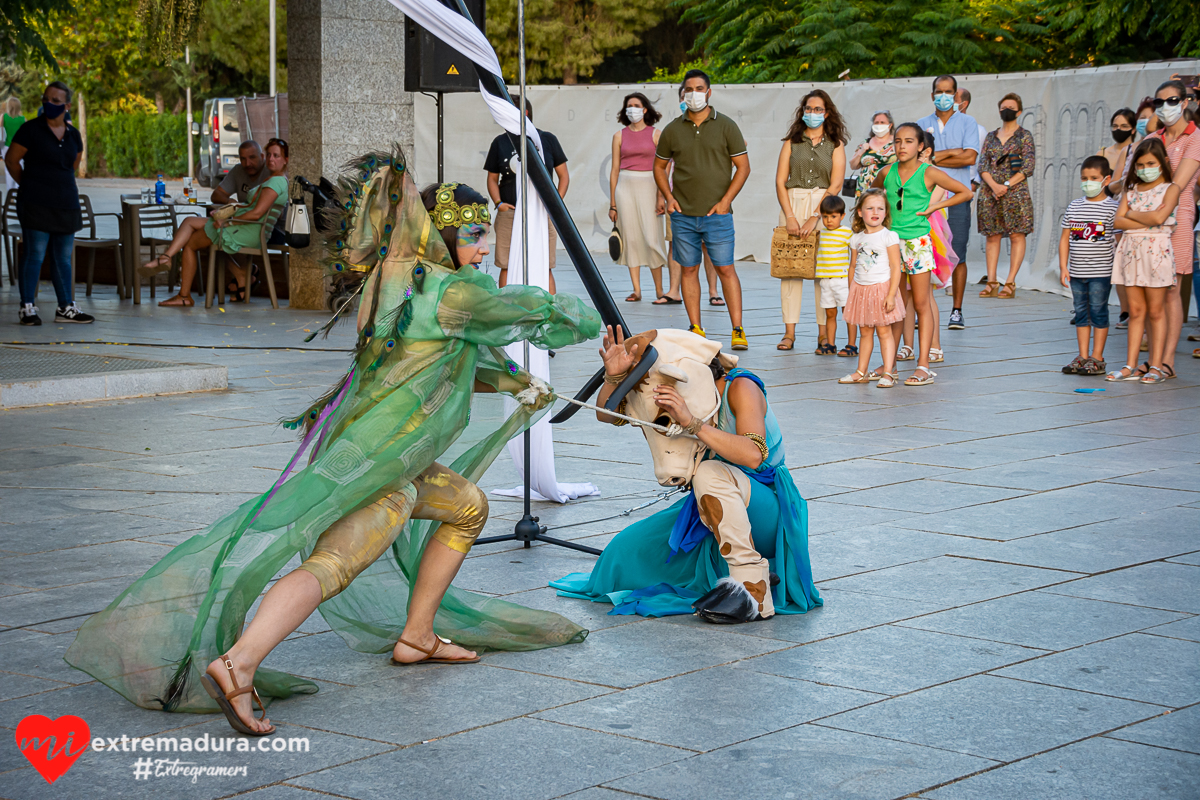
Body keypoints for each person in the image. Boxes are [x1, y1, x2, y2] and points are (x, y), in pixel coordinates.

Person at [65, 155, 602, 736]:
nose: (481, 244)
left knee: (467, 505)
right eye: (472, 233)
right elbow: (544, 315)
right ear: (442, 232)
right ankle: (237, 664)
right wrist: (593, 319)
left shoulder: (394, 279)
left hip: (377, 446)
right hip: (381, 462)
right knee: (336, 563)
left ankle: (417, 635)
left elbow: (428, 361)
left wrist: (511, 379)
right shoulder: (453, 293)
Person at [551, 325, 821, 622]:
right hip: (714, 505)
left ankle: (751, 590)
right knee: (620, 558)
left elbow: (753, 455)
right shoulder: (678, 396)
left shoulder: (741, 387)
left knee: (708, 472)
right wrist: (614, 377)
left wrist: (692, 422)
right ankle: (725, 574)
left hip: (769, 508)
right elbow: (607, 413)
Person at [654, 69, 751, 348]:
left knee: (725, 269)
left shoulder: (727, 126)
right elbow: (659, 167)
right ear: (683, 93)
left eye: (699, 88)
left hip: (717, 216)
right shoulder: (673, 129)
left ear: (708, 92)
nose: (693, 94)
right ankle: (696, 328)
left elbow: (743, 167)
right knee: (688, 270)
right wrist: (668, 197)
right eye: (688, 89)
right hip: (683, 216)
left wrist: (725, 202)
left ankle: (737, 329)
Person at [872, 123, 971, 386]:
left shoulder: (929, 172)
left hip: (917, 243)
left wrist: (935, 206)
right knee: (893, 305)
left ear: (920, 147)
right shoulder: (886, 172)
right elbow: (871, 195)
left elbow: (966, 192)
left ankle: (924, 365)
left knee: (920, 303)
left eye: (908, 141)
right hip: (891, 243)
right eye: (897, 141)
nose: (902, 146)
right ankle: (889, 364)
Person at [144, 139, 289, 306]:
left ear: (286, 159)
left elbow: (256, 214)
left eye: (276, 156)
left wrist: (228, 220)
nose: (271, 159)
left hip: (247, 230)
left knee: (191, 242)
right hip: (247, 228)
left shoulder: (276, 182)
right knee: (190, 222)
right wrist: (225, 212)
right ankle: (170, 261)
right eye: (270, 154)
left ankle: (181, 290)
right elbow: (249, 206)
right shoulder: (275, 179)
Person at [1123, 79, 1200, 380]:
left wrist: (1147, 211)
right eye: (1159, 102)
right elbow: (1130, 179)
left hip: (1176, 218)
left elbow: (1178, 184)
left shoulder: (1195, 138)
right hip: (1145, 223)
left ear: (1184, 103)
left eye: (1171, 101)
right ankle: (1152, 360)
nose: (1165, 107)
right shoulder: (1152, 137)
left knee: (1170, 290)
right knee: (1149, 290)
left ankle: (1166, 361)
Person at [7, 81, 93, 326]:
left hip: (66, 203)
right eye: (46, 99)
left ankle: (66, 307)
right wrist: (29, 183)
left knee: (63, 258)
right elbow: (12, 161)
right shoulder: (30, 130)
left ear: (66, 106)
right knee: (34, 254)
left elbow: (74, 164)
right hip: (35, 202)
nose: (49, 104)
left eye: (56, 101)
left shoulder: (73, 135)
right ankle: (27, 308)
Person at [773, 89, 847, 352]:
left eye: (818, 109)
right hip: (792, 203)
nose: (812, 113)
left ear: (826, 113)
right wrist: (791, 216)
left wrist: (815, 216)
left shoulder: (836, 144)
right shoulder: (792, 142)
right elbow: (780, 181)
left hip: (823, 206)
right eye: (808, 108)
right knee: (790, 269)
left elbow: (836, 183)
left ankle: (823, 334)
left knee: (821, 271)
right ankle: (789, 333)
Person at [1108, 139, 1179, 383]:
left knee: (1156, 311)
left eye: (1150, 163)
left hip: (1156, 254)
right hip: (1130, 254)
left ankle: (1157, 365)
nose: (1144, 168)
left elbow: (1161, 216)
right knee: (1136, 311)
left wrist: (1130, 214)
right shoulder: (1130, 191)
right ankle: (1130, 364)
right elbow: (1117, 222)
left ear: (1162, 163)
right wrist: (1144, 218)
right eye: (1140, 164)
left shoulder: (1171, 189)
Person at [484, 96, 568, 293]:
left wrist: (554, 204)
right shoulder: (500, 142)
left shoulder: (546, 139)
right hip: (510, 212)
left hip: (542, 212)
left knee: (545, 263)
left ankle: (550, 310)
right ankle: (506, 309)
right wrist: (499, 203)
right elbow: (492, 179)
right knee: (506, 263)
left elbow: (564, 176)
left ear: (524, 112)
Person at [918, 75, 979, 331]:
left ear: (956, 96)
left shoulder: (968, 121)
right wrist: (954, 151)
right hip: (926, 197)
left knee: (959, 252)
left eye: (948, 92)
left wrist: (937, 157)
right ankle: (923, 309)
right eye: (938, 92)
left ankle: (957, 310)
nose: (943, 96)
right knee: (923, 253)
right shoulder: (921, 124)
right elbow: (919, 158)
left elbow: (969, 157)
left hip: (956, 197)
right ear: (932, 94)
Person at [608, 93, 673, 303]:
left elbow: (665, 165)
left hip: (650, 184)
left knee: (652, 237)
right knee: (631, 238)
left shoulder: (656, 134)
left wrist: (661, 195)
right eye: (628, 106)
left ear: (645, 109)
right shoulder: (619, 136)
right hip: (625, 186)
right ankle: (636, 289)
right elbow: (615, 170)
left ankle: (659, 289)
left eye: (636, 105)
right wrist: (612, 203)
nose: (632, 109)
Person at [1060, 156, 1120, 376]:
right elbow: (1065, 237)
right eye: (1084, 178)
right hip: (1077, 272)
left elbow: (1118, 239)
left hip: (1101, 273)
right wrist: (1063, 266)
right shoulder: (1075, 206)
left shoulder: (1113, 208)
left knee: (1099, 312)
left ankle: (1098, 357)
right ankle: (1083, 355)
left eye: (1093, 178)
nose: (1088, 183)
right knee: (1082, 313)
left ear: (1106, 179)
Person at [838, 189, 904, 388]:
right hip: (861, 290)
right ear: (860, 212)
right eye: (870, 208)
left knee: (884, 332)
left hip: (881, 289)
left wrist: (891, 294)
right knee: (865, 332)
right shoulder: (856, 238)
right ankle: (861, 371)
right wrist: (852, 291)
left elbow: (895, 266)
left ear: (886, 212)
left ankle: (888, 372)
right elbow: (853, 266)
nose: (875, 212)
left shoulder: (889, 236)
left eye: (880, 208)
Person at [976, 93, 1036, 300]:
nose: (1006, 110)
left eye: (1011, 107)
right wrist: (994, 185)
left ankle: (1010, 282)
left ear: (1019, 111)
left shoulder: (1024, 136)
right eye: (1003, 107)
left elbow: (1028, 166)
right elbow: (982, 164)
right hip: (989, 192)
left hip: (1015, 193)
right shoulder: (991, 137)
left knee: (1016, 234)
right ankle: (991, 281)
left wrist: (1006, 185)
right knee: (992, 235)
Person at [1102, 108, 1138, 328]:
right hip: (1115, 211)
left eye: (1124, 126)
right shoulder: (1116, 151)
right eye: (1115, 126)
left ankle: (1137, 313)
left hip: (1139, 213)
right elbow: (1112, 185)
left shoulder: (1143, 149)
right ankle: (1125, 310)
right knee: (1119, 264)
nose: (1119, 130)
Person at [814, 195, 856, 356]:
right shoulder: (821, 233)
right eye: (825, 216)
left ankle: (851, 345)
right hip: (826, 281)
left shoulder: (846, 233)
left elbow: (855, 252)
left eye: (833, 216)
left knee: (849, 313)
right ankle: (830, 344)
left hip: (842, 280)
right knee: (830, 313)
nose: (829, 220)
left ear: (842, 216)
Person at [850, 110, 895, 198]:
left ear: (890, 125)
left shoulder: (896, 143)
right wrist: (861, 151)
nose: (879, 125)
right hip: (864, 189)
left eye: (882, 122)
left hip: (888, 188)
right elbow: (853, 165)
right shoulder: (866, 142)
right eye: (876, 122)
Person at [2, 96, 24, 188]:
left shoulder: (3, 117)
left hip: (6, 146)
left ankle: (9, 193)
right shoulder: (22, 119)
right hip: (20, 147)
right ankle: (17, 194)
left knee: (8, 170)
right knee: (19, 169)